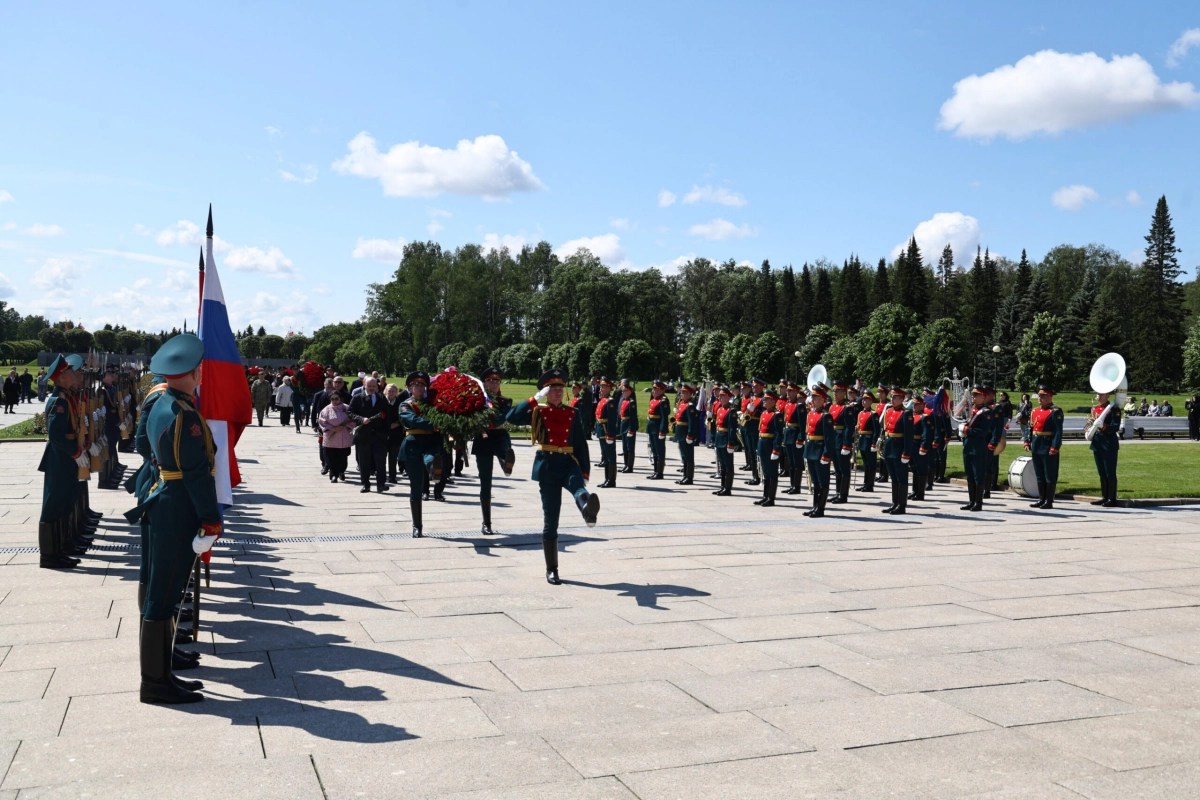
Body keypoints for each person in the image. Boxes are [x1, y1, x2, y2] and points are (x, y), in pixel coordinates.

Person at [129, 334, 219, 704]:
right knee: (164, 596)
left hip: (163, 500)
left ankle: (163, 669)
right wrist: (211, 520)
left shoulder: (164, 402)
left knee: (160, 589)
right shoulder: (183, 414)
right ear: (193, 372)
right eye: (199, 370)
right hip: (176, 508)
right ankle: (155, 683)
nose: (201, 375)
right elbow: (196, 473)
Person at [504, 369, 600, 584]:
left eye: (560, 388)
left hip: (568, 462)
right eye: (553, 389)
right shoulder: (538, 411)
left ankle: (587, 510)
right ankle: (552, 569)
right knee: (551, 519)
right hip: (547, 465)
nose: (558, 392)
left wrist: (584, 471)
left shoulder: (573, 413)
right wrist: (534, 399)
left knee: (578, 488)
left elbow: (580, 443)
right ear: (546, 392)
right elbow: (510, 417)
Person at [38, 354, 88, 569]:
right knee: (54, 505)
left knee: (65, 502)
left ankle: (62, 546)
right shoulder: (59, 401)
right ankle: (49, 555)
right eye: (68, 371)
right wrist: (75, 452)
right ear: (60, 379)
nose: (73, 374)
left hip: (66, 458)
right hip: (60, 459)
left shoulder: (65, 397)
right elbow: (57, 435)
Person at [473, 367, 517, 535]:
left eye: (497, 381)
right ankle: (487, 523)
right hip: (482, 439)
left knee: (504, 449)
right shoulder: (476, 401)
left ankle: (506, 462)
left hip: (498, 435)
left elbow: (501, 417)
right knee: (486, 482)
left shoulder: (505, 401)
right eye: (490, 381)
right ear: (484, 383)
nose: (494, 384)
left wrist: (485, 424)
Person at [398, 372, 441, 536]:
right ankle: (417, 526)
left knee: (432, 458)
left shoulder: (433, 403)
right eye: (415, 385)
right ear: (409, 387)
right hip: (413, 442)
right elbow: (411, 420)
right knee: (415, 487)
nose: (419, 387)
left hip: (430, 441)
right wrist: (434, 424)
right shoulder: (405, 404)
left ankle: (434, 470)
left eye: (422, 385)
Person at [1024, 384, 1064, 510]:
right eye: (1039, 396)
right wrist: (1027, 441)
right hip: (1036, 444)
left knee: (1049, 474)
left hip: (1047, 445)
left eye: (1043, 396)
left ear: (1050, 397)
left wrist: (1055, 446)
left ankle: (1049, 500)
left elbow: (1058, 431)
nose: (1040, 398)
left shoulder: (1055, 411)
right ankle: (1041, 499)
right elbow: (1029, 427)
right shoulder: (1035, 411)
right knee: (1039, 474)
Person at [347, 376, 389, 494]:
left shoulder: (381, 398)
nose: (371, 388)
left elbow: (387, 416)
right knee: (364, 462)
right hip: (363, 435)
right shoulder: (357, 398)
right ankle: (365, 484)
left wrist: (386, 433)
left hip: (379, 435)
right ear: (364, 385)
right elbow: (350, 412)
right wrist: (361, 419)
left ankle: (381, 484)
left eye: (374, 386)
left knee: (380, 461)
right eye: (369, 386)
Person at [802, 383, 836, 517]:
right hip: (810, 449)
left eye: (815, 398)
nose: (813, 400)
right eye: (813, 398)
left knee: (823, 481)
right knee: (815, 481)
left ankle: (820, 508)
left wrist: (826, 454)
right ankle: (815, 506)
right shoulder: (811, 414)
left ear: (822, 400)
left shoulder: (826, 416)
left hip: (820, 450)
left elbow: (829, 438)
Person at [881, 386, 915, 515]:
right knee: (894, 478)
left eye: (895, 397)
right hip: (889, 447)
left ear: (902, 399)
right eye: (891, 397)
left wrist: (907, 452)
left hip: (899, 448)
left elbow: (909, 435)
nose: (892, 399)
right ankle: (894, 503)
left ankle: (901, 505)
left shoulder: (906, 413)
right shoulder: (889, 410)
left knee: (901, 478)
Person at [1088, 388, 1122, 507]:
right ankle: (1104, 497)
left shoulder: (1114, 409)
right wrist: (1088, 429)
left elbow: (1115, 427)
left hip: (1109, 444)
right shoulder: (1095, 408)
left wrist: (1104, 426)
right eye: (1098, 393)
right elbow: (1091, 423)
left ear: (1108, 395)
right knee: (1102, 472)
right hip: (1097, 443)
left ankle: (1111, 498)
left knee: (1109, 472)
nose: (1098, 395)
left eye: (1101, 394)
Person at [754, 388, 785, 507]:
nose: (764, 402)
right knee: (765, 472)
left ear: (773, 401)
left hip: (770, 444)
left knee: (772, 473)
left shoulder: (777, 416)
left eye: (766, 400)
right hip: (763, 443)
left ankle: (771, 498)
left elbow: (778, 433)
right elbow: (760, 430)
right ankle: (765, 496)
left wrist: (776, 449)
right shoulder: (764, 413)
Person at [318, 390, 355, 482]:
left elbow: (353, 420)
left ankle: (341, 471)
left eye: (336, 399)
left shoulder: (347, 408)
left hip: (344, 436)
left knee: (343, 456)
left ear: (340, 398)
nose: (335, 401)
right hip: (331, 437)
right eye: (332, 399)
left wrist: (346, 425)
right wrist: (331, 428)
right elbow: (322, 421)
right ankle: (333, 475)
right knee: (331, 457)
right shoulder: (326, 409)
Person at [828, 380, 852, 503]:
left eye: (837, 391)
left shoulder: (847, 408)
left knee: (844, 469)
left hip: (841, 439)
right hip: (833, 439)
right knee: (837, 469)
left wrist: (847, 444)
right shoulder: (832, 406)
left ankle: (843, 495)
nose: (835, 393)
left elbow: (848, 428)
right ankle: (838, 493)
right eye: (834, 391)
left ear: (844, 393)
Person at [712, 386, 738, 496]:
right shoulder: (720, 409)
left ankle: (728, 488)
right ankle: (722, 486)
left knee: (728, 465)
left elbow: (732, 429)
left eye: (723, 396)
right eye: (720, 395)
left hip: (726, 439)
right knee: (722, 465)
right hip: (719, 438)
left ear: (728, 397)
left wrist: (731, 443)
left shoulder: (731, 411)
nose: (720, 397)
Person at [672, 383, 699, 485]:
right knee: (684, 456)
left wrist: (690, 435)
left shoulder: (690, 406)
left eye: (684, 392)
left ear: (689, 394)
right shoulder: (681, 403)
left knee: (688, 456)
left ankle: (689, 477)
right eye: (681, 392)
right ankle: (685, 476)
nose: (681, 394)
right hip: (680, 432)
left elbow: (692, 423)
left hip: (686, 433)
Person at [594, 378, 619, 488]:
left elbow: (612, 419)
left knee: (610, 456)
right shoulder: (603, 400)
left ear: (609, 388)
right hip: (601, 430)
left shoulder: (611, 401)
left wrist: (610, 434)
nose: (601, 388)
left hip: (607, 431)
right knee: (605, 455)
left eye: (603, 387)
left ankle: (611, 480)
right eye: (601, 386)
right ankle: (606, 478)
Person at [783, 383, 807, 494]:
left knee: (797, 462)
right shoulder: (787, 405)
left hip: (796, 435)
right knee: (790, 462)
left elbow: (802, 424)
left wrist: (801, 438)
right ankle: (792, 485)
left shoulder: (800, 406)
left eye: (790, 391)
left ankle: (797, 486)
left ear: (796, 392)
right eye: (787, 391)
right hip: (788, 434)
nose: (788, 393)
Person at [645, 379, 671, 480]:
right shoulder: (653, 400)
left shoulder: (663, 401)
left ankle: (660, 472)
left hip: (658, 428)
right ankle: (655, 471)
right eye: (653, 389)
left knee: (660, 450)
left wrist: (662, 431)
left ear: (661, 390)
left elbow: (664, 418)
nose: (653, 391)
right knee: (654, 450)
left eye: (655, 389)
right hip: (651, 427)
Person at [740, 379, 765, 486]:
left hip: (756, 428)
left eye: (755, 386)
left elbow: (765, 413)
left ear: (760, 387)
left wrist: (756, 410)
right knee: (751, 453)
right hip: (748, 428)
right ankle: (755, 476)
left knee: (756, 453)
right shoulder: (752, 398)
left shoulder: (763, 399)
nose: (753, 388)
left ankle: (760, 476)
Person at [854, 389, 878, 493]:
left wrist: (874, 443)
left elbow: (876, 430)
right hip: (862, 439)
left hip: (869, 440)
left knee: (871, 464)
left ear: (871, 401)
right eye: (863, 400)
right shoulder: (860, 413)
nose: (863, 402)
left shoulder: (874, 414)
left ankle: (870, 485)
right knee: (865, 464)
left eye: (866, 400)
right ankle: (865, 483)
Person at [383, 382, 407, 486]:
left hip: (396, 433)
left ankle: (392, 476)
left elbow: (404, 416)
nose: (391, 392)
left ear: (396, 392)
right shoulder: (381, 402)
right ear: (385, 391)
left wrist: (398, 424)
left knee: (393, 457)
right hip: (383, 433)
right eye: (389, 391)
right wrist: (388, 425)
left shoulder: (400, 403)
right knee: (381, 457)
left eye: (393, 391)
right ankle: (382, 476)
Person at [909, 393, 930, 502]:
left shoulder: (925, 418)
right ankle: (915, 491)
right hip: (911, 445)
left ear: (922, 405)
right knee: (914, 468)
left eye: (917, 405)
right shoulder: (911, 416)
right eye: (914, 404)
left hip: (919, 445)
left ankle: (920, 493)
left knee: (921, 469)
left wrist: (924, 447)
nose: (914, 406)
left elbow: (926, 434)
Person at [311, 378, 334, 474]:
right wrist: (314, 424)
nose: (328, 388)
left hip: (334, 423)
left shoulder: (335, 394)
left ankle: (331, 464)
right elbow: (314, 410)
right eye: (327, 386)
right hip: (322, 423)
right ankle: (324, 463)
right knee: (322, 444)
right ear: (324, 385)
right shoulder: (318, 395)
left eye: (330, 387)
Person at [618, 379, 639, 474]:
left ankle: (630, 466)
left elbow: (633, 418)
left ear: (629, 392)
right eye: (622, 391)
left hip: (629, 426)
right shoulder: (624, 401)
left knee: (630, 447)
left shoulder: (631, 402)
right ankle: (626, 464)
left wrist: (631, 429)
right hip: (623, 425)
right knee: (625, 447)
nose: (622, 392)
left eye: (624, 391)